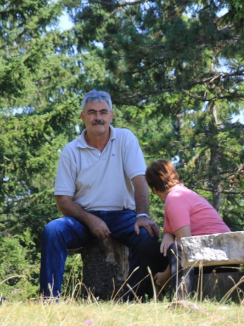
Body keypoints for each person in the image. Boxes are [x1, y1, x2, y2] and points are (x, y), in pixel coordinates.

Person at [39, 90, 160, 299]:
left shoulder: (125, 138)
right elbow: (63, 201)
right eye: (92, 112)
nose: (98, 118)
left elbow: (139, 180)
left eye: (103, 112)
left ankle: (134, 299)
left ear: (111, 116)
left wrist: (142, 215)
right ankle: (49, 298)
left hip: (123, 216)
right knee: (53, 230)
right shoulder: (71, 150)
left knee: (148, 237)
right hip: (83, 218)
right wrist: (90, 220)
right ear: (83, 116)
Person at [139, 159, 231, 299]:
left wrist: (165, 275)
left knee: (153, 251)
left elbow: (184, 245)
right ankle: (154, 297)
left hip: (217, 257)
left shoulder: (175, 198)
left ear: (154, 189)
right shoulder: (182, 193)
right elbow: (175, 231)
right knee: (150, 249)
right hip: (219, 251)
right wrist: (168, 234)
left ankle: (179, 298)